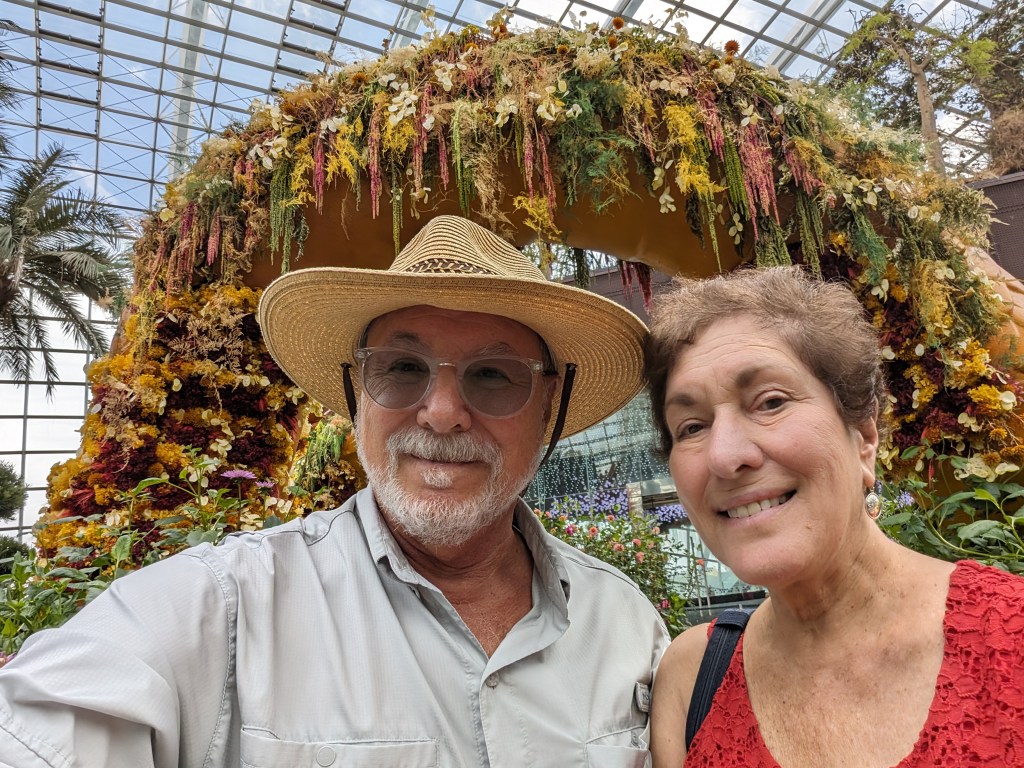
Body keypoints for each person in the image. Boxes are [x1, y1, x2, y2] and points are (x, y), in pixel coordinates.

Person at [0, 215, 669, 767]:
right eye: (401, 368)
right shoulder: (222, 611)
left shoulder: (627, 628)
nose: (442, 413)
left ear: (549, 406)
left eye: (493, 375)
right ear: (356, 395)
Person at [644, 266, 1024, 768]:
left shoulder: (1009, 636)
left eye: (770, 402)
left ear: (864, 437)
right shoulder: (691, 683)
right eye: (691, 427)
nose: (725, 455)